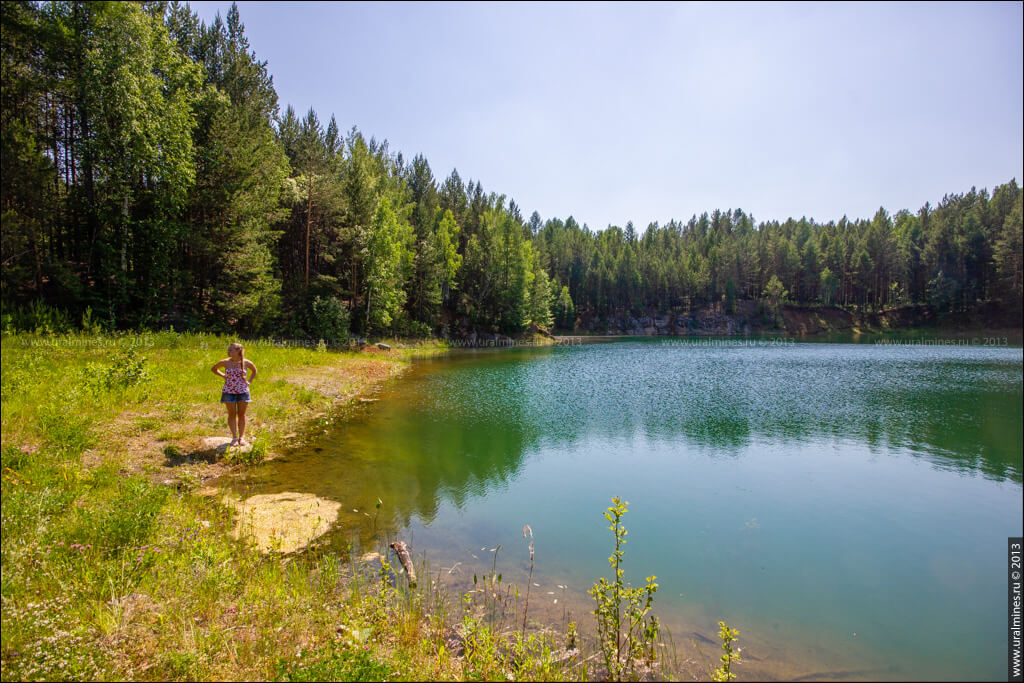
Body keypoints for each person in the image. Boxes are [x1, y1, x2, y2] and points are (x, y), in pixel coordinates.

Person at [211, 342, 257, 446]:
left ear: (238, 351)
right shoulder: (225, 362)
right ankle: (234, 438)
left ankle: (241, 437)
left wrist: (249, 381)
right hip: (229, 391)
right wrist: (223, 375)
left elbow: (254, 371)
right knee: (232, 414)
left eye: (231, 350)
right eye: (228, 349)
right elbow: (214, 369)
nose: (228, 351)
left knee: (242, 414)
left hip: (243, 392)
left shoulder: (246, 362)